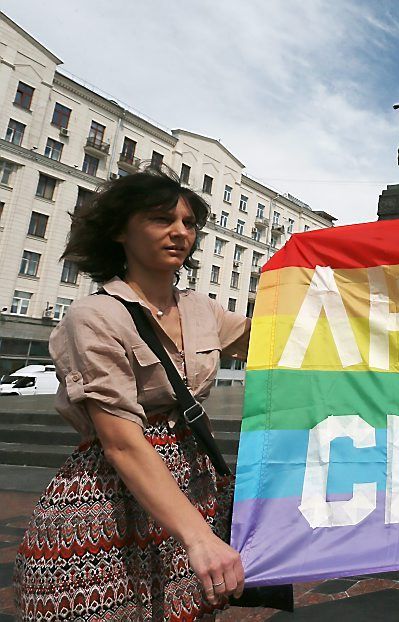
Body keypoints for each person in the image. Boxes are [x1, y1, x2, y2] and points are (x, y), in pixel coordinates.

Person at [13, 168, 251, 620]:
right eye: (162, 219)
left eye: (188, 223)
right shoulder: (94, 315)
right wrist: (198, 536)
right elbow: (121, 441)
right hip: (110, 503)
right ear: (121, 230)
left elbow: (282, 343)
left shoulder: (203, 310)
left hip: (194, 487)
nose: (180, 232)